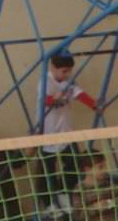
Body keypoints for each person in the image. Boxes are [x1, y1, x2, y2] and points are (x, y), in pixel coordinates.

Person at [36, 49, 98, 200]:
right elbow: (44, 100)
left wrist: (95, 105)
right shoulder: (45, 81)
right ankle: (48, 202)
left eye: (69, 71)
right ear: (53, 68)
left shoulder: (69, 82)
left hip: (65, 131)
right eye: (64, 71)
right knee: (47, 170)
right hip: (48, 132)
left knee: (76, 165)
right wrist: (54, 99)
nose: (67, 74)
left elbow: (80, 95)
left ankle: (63, 192)